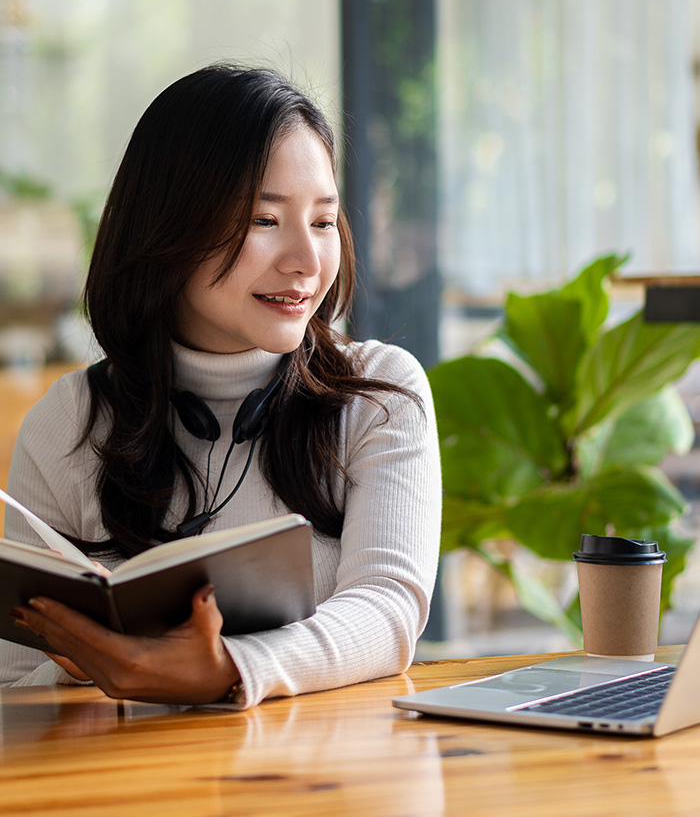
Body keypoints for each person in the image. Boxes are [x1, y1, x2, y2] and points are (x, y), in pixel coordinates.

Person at [0, 63, 441, 708]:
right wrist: (86, 664)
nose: (306, 261)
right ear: (168, 228)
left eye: (322, 221)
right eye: (265, 221)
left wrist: (230, 667)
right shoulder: (70, 422)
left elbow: (389, 609)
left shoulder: (378, 394)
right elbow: (12, 681)